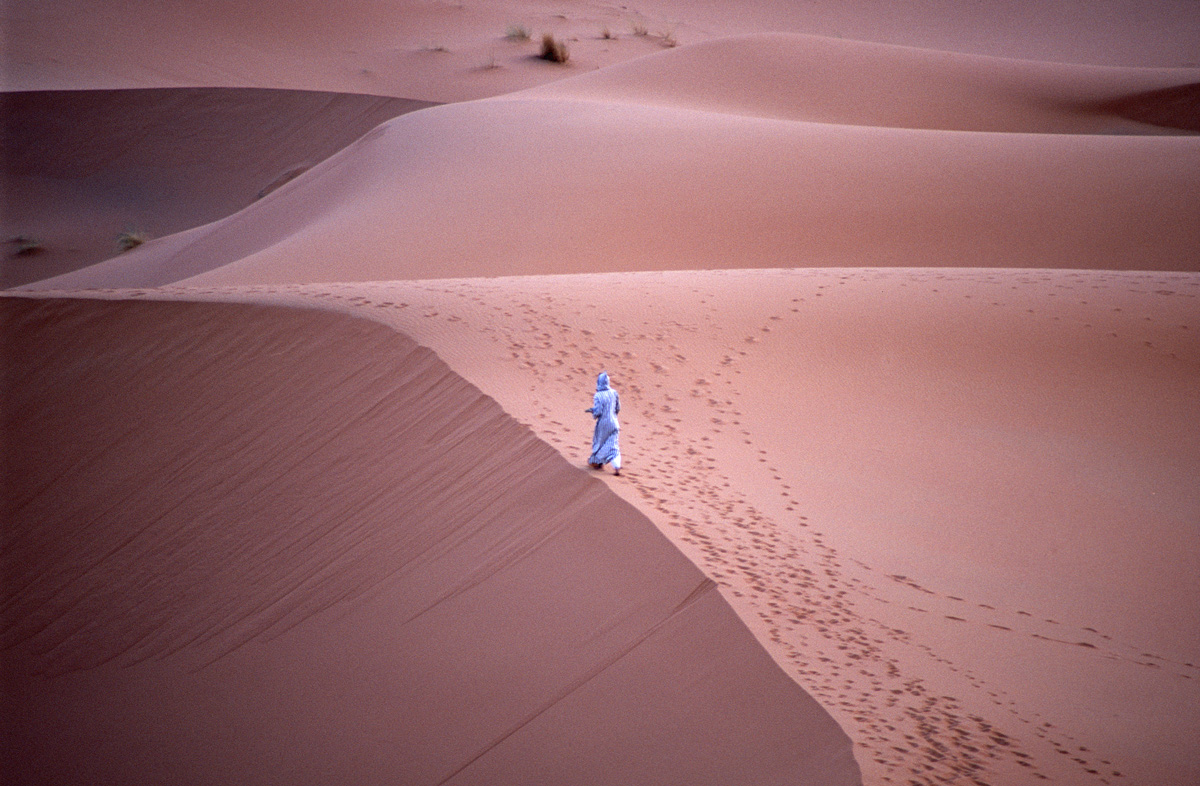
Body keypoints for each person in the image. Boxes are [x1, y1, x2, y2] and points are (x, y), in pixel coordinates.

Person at [585, 371, 621, 475]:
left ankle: (597, 462)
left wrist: (593, 411)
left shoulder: (598, 395)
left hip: (603, 424)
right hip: (614, 422)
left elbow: (598, 412)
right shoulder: (614, 393)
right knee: (613, 444)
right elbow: (618, 408)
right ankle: (617, 467)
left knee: (599, 444)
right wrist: (613, 415)